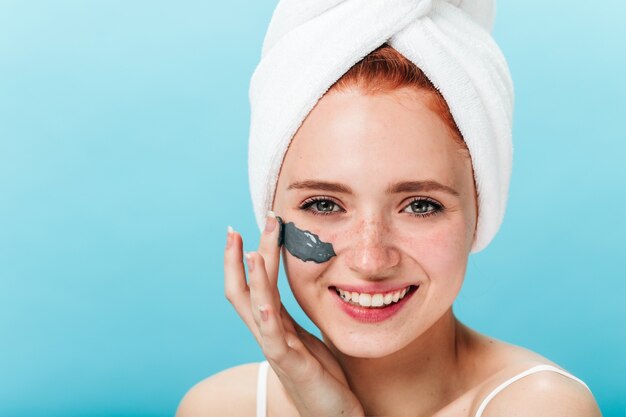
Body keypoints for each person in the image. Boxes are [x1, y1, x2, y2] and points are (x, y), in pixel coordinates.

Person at [176, 1, 603, 416]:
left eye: (420, 205)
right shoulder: (216, 407)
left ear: (481, 212)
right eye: (324, 204)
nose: (370, 259)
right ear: (271, 216)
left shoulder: (541, 406)